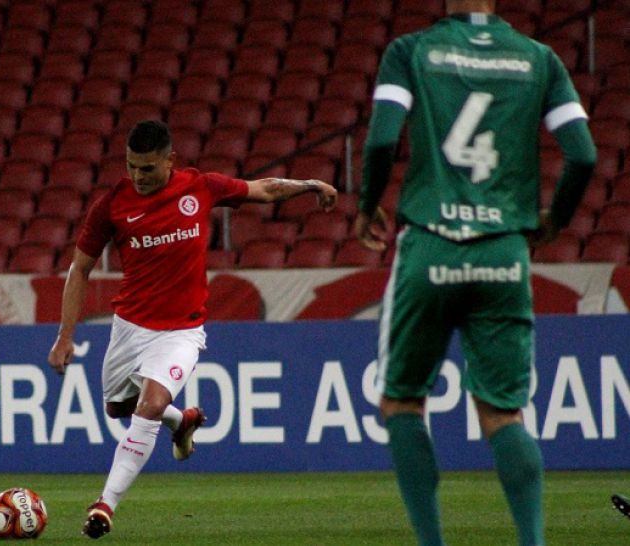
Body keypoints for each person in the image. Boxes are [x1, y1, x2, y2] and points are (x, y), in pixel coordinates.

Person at [353, 1, 597, 545]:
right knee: (503, 415)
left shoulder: (409, 51)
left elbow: (380, 141)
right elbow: (582, 154)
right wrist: (554, 220)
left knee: (401, 402)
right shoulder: (540, 58)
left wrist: (368, 204)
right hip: (503, 252)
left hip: (430, 246)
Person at [48, 119, 337, 538]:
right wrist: (64, 336)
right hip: (129, 327)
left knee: (147, 406)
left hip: (181, 332)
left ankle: (104, 505)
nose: (138, 176)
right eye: (131, 167)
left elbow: (265, 188)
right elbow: (80, 269)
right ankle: (180, 422)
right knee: (117, 408)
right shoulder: (112, 204)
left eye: (147, 168)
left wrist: (310, 183)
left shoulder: (199, 187)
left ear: (170, 161)